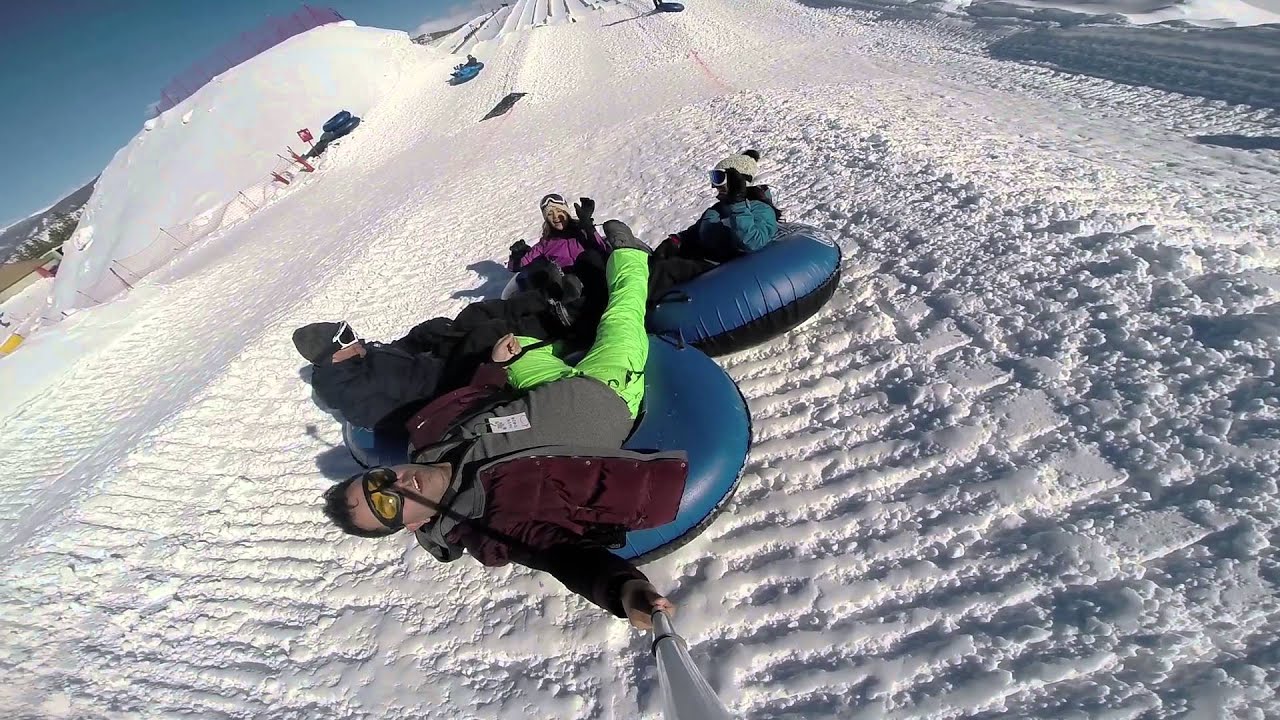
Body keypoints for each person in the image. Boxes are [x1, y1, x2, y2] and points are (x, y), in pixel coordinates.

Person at [323, 221, 684, 630]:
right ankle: (630, 256)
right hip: (607, 393)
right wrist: (624, 591)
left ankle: (570, 308)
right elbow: (561, 555)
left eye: (380, 481)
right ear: (411, 524)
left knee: (520, 336)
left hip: (540, 385)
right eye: (387, 503)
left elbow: (476, 402)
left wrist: (494, 367)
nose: (398, 485)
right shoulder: (491, 524)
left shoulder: (428, 443)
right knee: (621, 319)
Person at [295, 290, 579, 431]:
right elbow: (413, 424)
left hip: (437, 364)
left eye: (349, 331)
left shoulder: (361, 358)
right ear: (333, 357)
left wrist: (421, 335)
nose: (355, 338)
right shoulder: (355, 395)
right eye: (346, 338)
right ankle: (567, 325)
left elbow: (397, 350)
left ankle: (551, 299)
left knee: (472, 315)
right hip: (448, 389)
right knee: (485, 334)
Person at [649, 149, 781, 298]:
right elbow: (699, 230)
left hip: (721, 267)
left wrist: (738, 203)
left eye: (719, 178)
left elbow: (751, 241)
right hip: (703, 257)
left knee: (666, 270)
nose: (714, 186)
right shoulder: (720, 207)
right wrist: (676, 240)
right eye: (714, 177)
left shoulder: (761, 209)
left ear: (738, 181)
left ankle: (639, 313)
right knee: (653, 263)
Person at [506, 193, 607, 273]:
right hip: (569, 290)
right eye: (550, 214)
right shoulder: (545, 243)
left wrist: (587, 225)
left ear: (566, 213)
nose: (555, 217)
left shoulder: (582, 232)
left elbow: (604, 251)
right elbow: (517, 266)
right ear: (546, 219)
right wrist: (516, 256)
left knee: (590, 256)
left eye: (559, 211)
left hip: (595, 280)